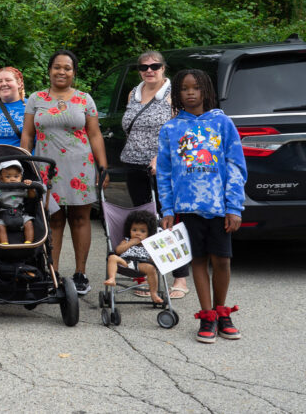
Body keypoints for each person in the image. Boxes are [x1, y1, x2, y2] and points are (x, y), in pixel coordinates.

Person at [157, 69, 247, 344]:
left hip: (219, 207)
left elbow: (235, 166)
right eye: (184, 88)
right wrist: (168, 209)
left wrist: (234, 206)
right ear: (177, 93)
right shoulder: (171, 129)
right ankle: (207, 315)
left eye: (196, 87)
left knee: (221, 260)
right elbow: (164, 172)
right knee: (197, 260)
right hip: (187, 208)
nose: (190, 92)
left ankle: (222, 313)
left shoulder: (222, 124)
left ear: (206, 91)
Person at [21, 49, 109, 295]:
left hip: (80, 167)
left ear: (74, 73)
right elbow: (27, 135)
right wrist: (24, 163)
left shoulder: (84, 99)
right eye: (57, 67)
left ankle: (80, 274)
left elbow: (94, 134)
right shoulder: (36, 98)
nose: (61, 71)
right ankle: (53, 271)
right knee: (54, 219)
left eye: (67, 68)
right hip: (45, 167)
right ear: (49, 70)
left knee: (80, 219)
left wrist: (103, 167)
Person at [119, 51, 189, 299]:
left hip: (164, 167)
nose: (149, 70)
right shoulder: (133, 93)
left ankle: (180, 277)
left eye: (155, 66)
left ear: (163, 68)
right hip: (134, 165)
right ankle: (148, 275)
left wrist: (161, 156)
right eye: (144, 66)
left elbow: (182, 132)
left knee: (168, 220)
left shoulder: (173, 95)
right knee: (144, 222)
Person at [104, 210, 161, 303]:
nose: (137, 233)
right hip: (125, 262)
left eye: (142, 231)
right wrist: (130, 243)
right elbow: (118, 250)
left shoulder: (148, 244)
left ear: (149, 233)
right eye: (134, 230)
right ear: (129, 230)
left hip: (141, 264)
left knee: (151, 269)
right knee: (112, 257)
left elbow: (152, 258)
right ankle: (112, 278)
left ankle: (154, 293)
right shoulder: (126, 241)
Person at [0, 160, 36, 245]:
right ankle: (4, 242)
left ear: (21, 177)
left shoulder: (22, 188)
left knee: (29, 223)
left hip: (20, 214)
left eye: (16, 176)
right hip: (3, 215)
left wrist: (30, 187)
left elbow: (32, 196)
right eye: (8, 176)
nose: (12, 179)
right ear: (1, 178)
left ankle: (29, 241)